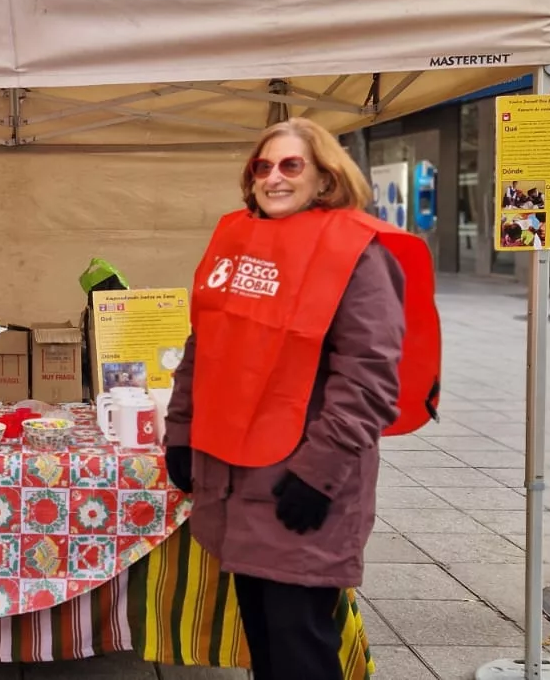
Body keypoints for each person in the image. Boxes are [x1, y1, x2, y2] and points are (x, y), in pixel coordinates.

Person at [163, 117, 440, 680]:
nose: (274, 178)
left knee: (301, 652)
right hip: (235, 481)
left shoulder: (358, 254)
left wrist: (318, 473)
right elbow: (203, 347)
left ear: (325, 177)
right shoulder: (237, 243)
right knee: (266, 645)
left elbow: (368, 376)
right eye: (262, 167)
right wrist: (182, 431)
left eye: (291, 165)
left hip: (302, 482)